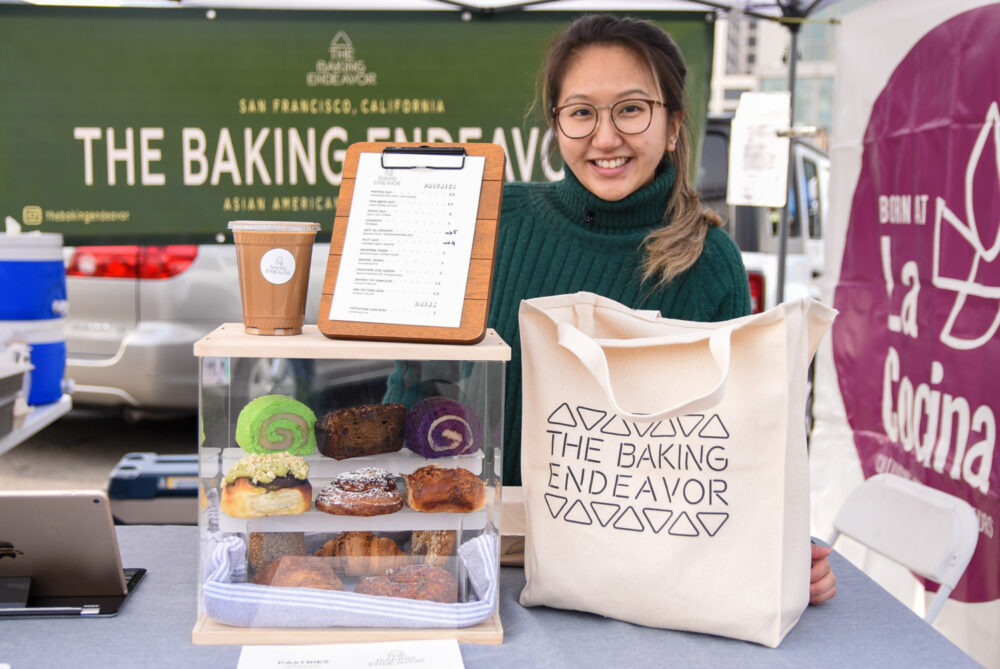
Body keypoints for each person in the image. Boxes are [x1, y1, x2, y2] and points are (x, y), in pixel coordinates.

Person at [390, 13, 836, 605]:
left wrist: (779, 549)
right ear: (557, 126)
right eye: (581, 113)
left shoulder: (708, 263)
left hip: (629, 580)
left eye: (631, 109)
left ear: (673, 125)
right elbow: (412, 385)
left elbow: (735, 450)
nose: (605, 138)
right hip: (460, 548)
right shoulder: (492, 219)